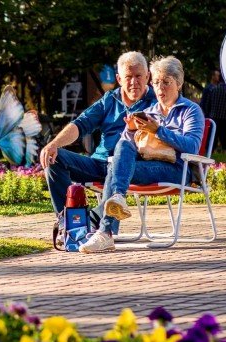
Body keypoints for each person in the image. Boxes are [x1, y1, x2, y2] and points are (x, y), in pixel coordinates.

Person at [79, 56, 204, 253]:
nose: (160, 88)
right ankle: (117, 201)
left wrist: (159, 131)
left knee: (115, 168)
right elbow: (128, 147)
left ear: (178, 83)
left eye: (166, 82)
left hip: (178, 169)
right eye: (155, 82)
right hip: (148, 165)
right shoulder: (150, 111)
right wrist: (129, 131)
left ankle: (104, 232)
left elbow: (192, 146)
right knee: (124, 144)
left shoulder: (190, 110)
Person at [40, 51, 156, 237]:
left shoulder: (156, 102)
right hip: (99, 163)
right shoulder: (110, 99)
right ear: (118, 78)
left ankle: (90, 226)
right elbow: (81, 124)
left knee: (116, 163)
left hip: (130, 167)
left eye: (138, 76)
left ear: (148, 76)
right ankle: (67, 222)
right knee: (54, 157)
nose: (134, 82)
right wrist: (53, 144)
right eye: (128, 77)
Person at [200, 69, 226, 152]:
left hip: (214, 117)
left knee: (213, 135)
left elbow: (208, 104)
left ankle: (211, 150)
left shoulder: (213, 90)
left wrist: (208, 114)